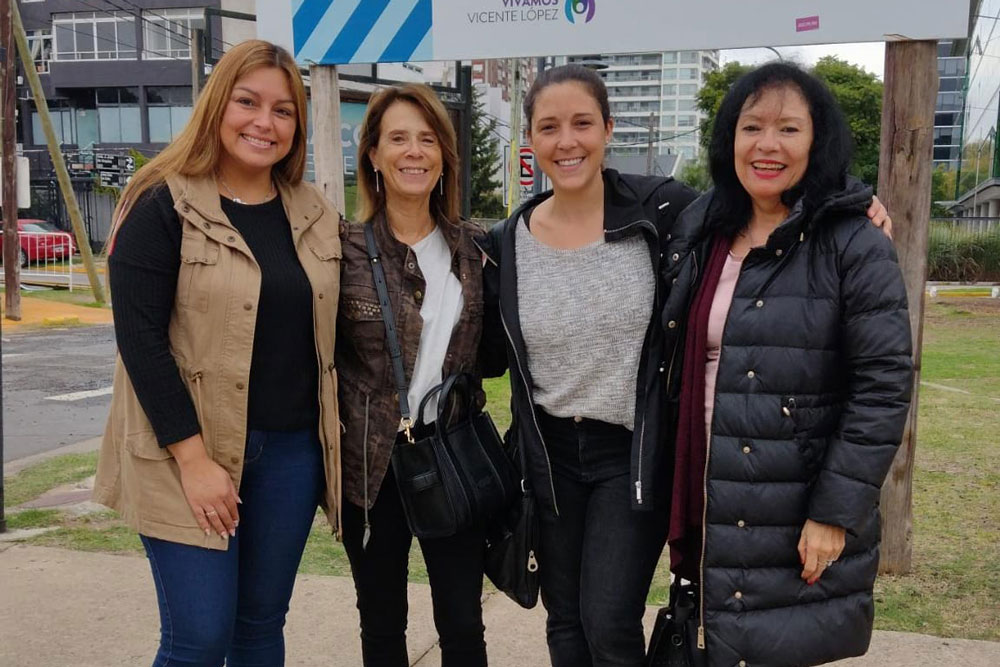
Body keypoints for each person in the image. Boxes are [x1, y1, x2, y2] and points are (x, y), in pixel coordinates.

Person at [479, 64, 892, 667]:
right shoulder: (508, 239)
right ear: (531, 140)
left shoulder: (663, 211)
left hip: (630, 451)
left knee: (607, 619)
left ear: (609, 129)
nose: (566, 141)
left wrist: (853, 199)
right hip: (547, 455)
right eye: (548, 127)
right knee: (563, 618)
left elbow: (769, 190)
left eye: (582, 123)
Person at [93, 40, 343, 666]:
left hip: (290, 455)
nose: (265, 122)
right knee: (198, 638)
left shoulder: (314, 214)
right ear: (217, 105)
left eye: (284, 111)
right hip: (190, 454)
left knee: (259, 630)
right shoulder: (160, 201)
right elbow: (141, 341)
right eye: (248, 102)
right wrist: (195, 459)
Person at [662, 62, 913, 667]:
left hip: (795, 503)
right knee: (721, 639)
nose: (767, 145)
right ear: (730, 139)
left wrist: (834, 513)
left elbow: (883, 387)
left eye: (788, 130)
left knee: (777, 645)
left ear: (817, 141)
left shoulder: (853, 244)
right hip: (711, 492)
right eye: (751, 127)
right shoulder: (701, 228)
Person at [337, 84, 489, 667]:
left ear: (445, 156)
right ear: (373, 154)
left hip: (451, 458)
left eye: (428, 139)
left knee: (462, 626)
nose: (414, 151)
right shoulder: (340, 250)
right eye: (397, 138)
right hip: (371, 470)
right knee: (380, 629)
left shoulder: (476, 250)